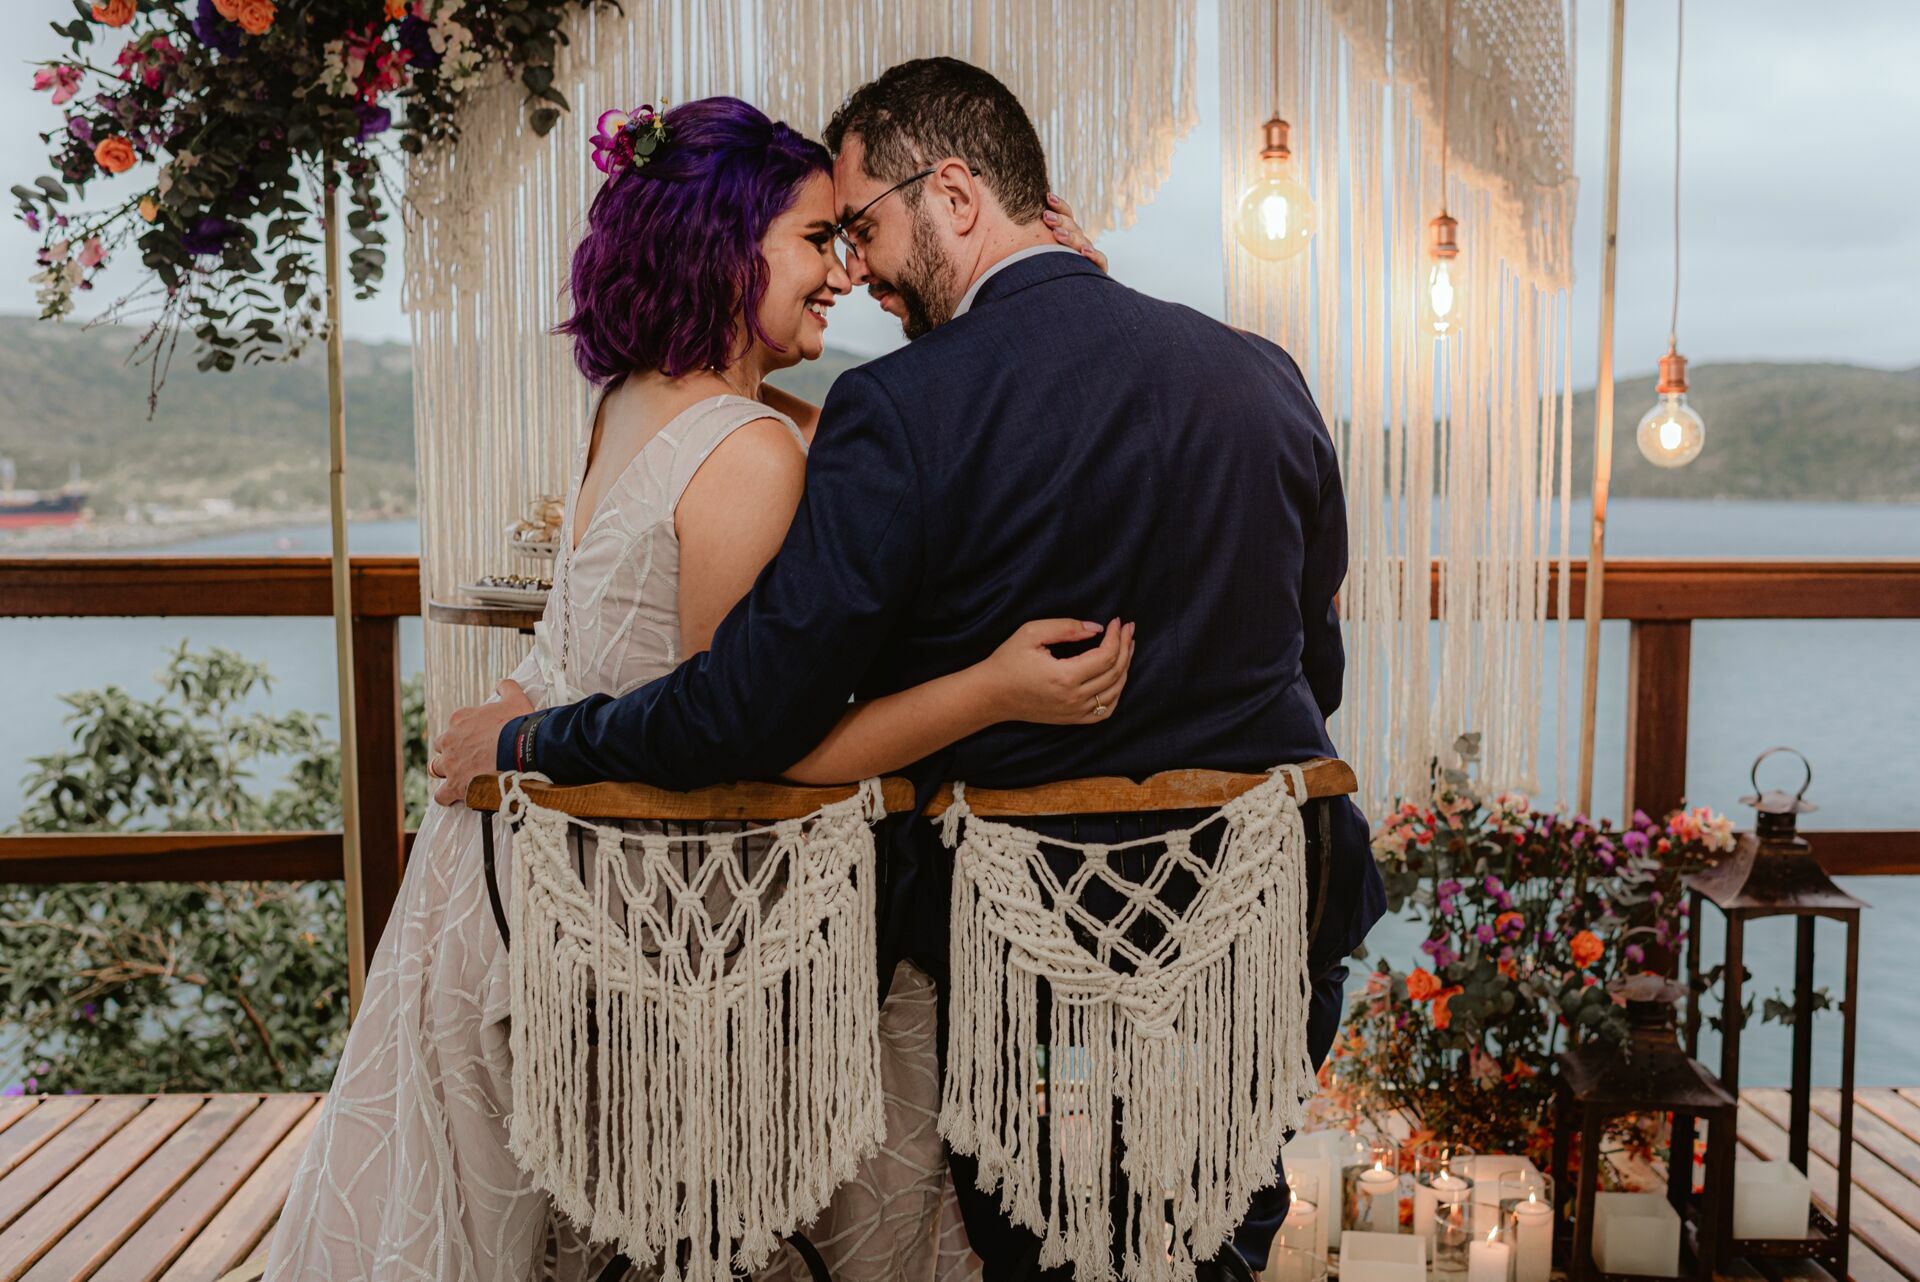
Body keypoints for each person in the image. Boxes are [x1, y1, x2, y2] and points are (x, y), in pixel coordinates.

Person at [434, 58, 1386, 1282]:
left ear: (953, 190)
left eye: (868, 227)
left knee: (1052, 1255)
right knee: (1207, 1247)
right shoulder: (1263, 373)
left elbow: (751, 710)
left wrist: (533, 740)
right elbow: (1318, 666)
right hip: (1267, 929)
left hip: (1047, 969)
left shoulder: (903, 408)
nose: (862, 270)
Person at [265, 95, 1119, 1282]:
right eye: (819, 239)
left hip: (505, 885)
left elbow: (882, 449)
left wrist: (1044, 305)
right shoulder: (750, 452)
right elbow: (756, 743)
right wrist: (992, 685)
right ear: (728, 248)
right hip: (656, 906)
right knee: (922, 983)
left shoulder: (640, 402)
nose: (846, 269)